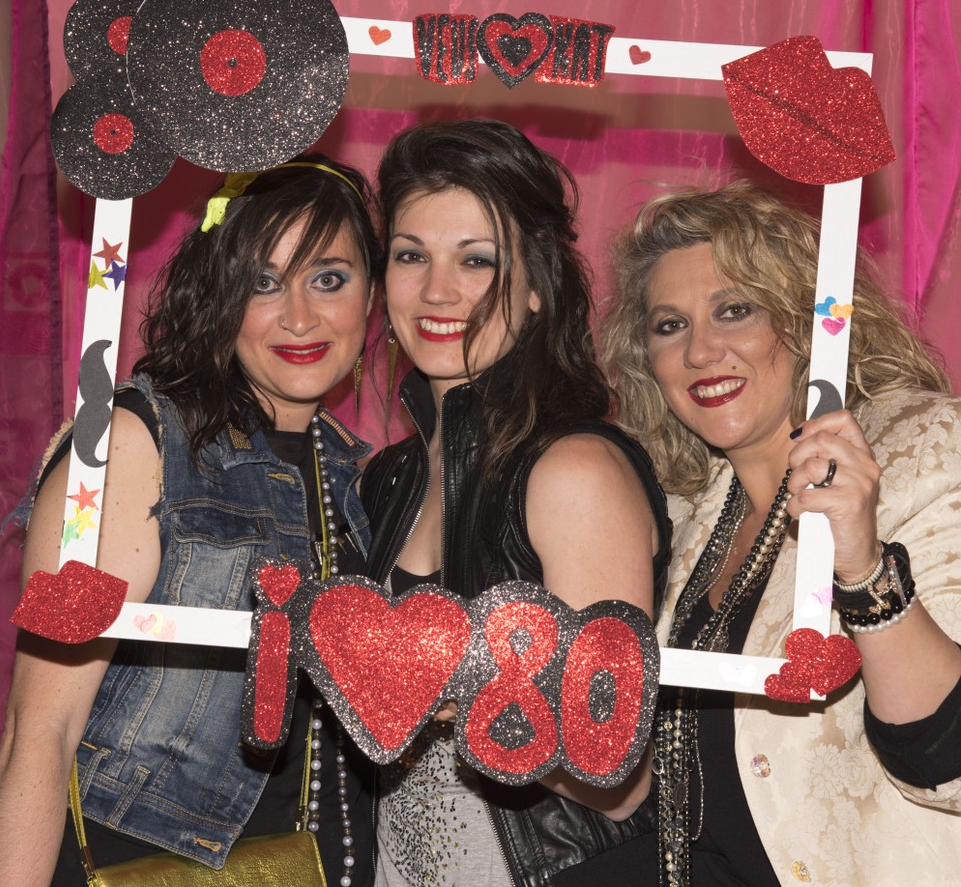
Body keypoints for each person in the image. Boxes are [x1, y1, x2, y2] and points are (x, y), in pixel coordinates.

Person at [0, 157, 379, 887]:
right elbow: (37, 734)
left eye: (328, 278)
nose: (300, 316)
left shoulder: (355, 477)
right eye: (263, 282)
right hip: (109, 865)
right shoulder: (133, 443)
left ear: (371, 293)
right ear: (218, 293)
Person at [601, 180, 961, 886]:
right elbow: (639, 792)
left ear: (806, 320)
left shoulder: (925, 451)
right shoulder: (683, 512)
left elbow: (946, 767)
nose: (701, 351)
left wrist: (864, 571)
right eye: (670, 326)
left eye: (734, 310)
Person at [361, 118, 671, 887]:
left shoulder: (573, 471)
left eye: (477, 260)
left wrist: (452, 689)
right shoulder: (388, 478)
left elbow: (618, 777)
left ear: (536, 288)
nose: (437, 291)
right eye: (411, 255)